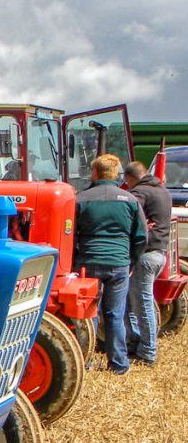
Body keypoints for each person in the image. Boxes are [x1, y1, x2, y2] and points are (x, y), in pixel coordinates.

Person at [74, 154, 147, 374]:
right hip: (118, 263)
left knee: (89, 315)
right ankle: (118, 364)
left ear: (95, 173)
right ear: (116, 174)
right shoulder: (130, 200)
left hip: (88, 263)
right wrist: (130, 260)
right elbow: (141, 236)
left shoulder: (81, 199)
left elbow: (70, 234)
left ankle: (85, 362)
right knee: (115, 314)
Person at [124, 160, 172, 365]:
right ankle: (135, 341)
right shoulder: (162, 191)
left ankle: (147, 351)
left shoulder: (140, 193)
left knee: (142, 303)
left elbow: (128, 214)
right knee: (133, 299)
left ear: (130, 179)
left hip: (146, 254)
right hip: (160, 252)